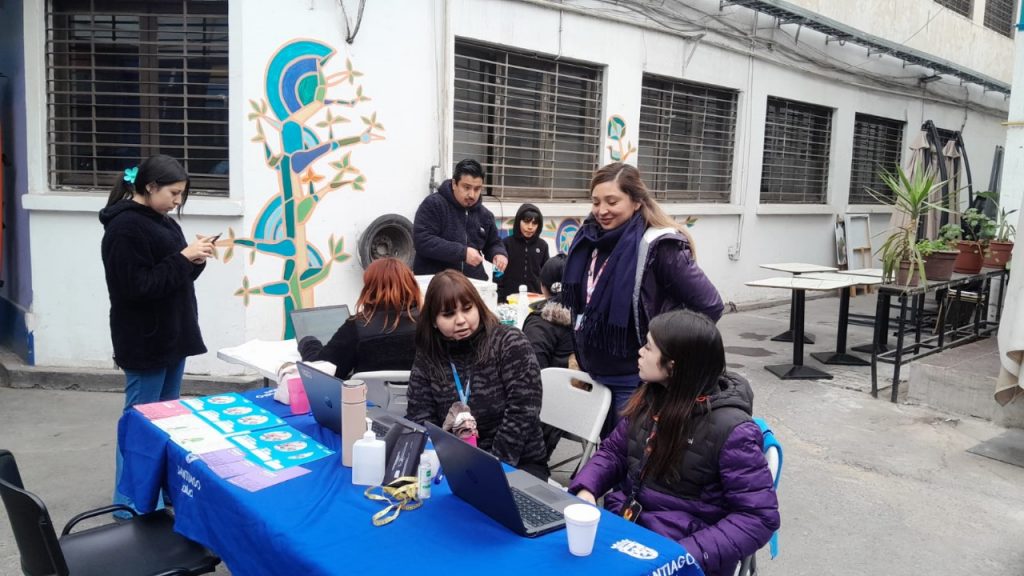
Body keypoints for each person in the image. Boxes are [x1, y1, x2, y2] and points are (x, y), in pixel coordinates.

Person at [569, 310, 780, 576]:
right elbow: (613, 452)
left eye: (648, 347)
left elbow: (758, 517)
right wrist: (587, 489)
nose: (640, 352)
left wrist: (685, 555)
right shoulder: (652, 398)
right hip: (627, 530)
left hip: (681, 553)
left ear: (673, 366)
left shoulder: (733, 431)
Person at [562, 162, 724, 424]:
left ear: (636, 202)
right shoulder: (589, 239)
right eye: (595, 202)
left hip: (634, 381)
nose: (602, 211)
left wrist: (668, 350)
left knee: (630, 457)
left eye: (612, 201)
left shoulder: (660, 246)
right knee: (607, 455)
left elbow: (710, 306)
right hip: (594, 372)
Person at [100, 154, 216, 515]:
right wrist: (183, 258)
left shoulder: (161, 220)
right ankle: (130, 503)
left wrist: (195, 261)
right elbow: (136, 287)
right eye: (174, 193)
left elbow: (171, 278)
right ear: (150, 187)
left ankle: (162, 490)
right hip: (145, 340)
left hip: (172, 335)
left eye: (182, 194)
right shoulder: (124, 228)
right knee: (139, 423)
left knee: (168, 421)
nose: (178, 201)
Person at [406, 270, 549, 479]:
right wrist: (439, 461)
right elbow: (420, 416)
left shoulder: (508, 342)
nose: (461, 320)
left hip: (515, 464)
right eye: (448, 314)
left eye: (467, 309)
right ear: (434, 321)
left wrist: (489, 470)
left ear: (478, 306)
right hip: (452, 465)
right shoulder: (429, 355)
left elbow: (523, 412)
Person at [298, 257, 420, 378]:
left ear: (369, 289)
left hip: (369, 397)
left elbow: (323, 371)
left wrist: (308, 342)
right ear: (411, 284)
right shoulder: (429, 323)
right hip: (421, 396)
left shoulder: (357, 327)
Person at [412, 159, 508, 281]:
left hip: (472, 284)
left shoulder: (485, 215)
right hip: (436, 284)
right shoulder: (434, 204)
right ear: (454, 184)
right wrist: (462, 253)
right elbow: (422, 240)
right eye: (466, 187)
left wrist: (498, 254)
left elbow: (493, 243)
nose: (472, 194)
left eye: (477, 189)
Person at [522, 254, 573, 370]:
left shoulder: (538, 324)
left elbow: (532, 371)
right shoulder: (587, 320)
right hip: (587, 387)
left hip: (551, 386)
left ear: (542, 286)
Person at [496, 203, 549, 302]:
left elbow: (546, 275)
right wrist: (500, 297)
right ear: (518, 222)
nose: (530, 227)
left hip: (534, 299)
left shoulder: (543, 246)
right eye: (526, 222)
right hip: (509, 298)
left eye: (534, 223)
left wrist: (544, 296)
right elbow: (498, 274)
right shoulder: (506, 243)